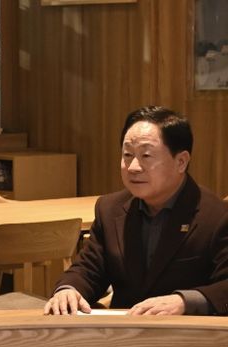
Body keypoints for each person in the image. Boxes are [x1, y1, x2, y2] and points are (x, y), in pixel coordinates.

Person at [44, 105, 228, 316]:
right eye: (127, 155)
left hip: (187, 331)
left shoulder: (216, 216)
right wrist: (68, 290)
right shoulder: (110, 209)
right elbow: (88, 269)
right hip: (124, 329)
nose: (133, 167)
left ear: (181, 162)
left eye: (146, 156)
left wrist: (185, 301)